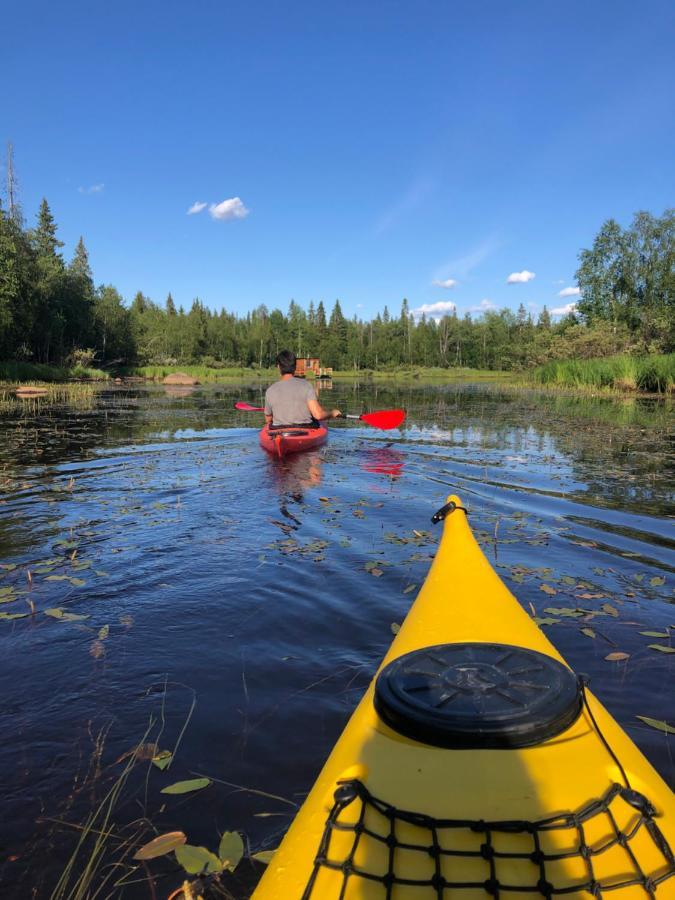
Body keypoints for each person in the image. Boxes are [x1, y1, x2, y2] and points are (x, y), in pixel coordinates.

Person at [264, 350, 341, 427]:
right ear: (295, 366)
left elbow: (268, 419)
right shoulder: (306, 385)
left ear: (278, 367)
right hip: (305, 430)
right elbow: (318, 415)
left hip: (279, 432)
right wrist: (333, 413)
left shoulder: (270, 390)